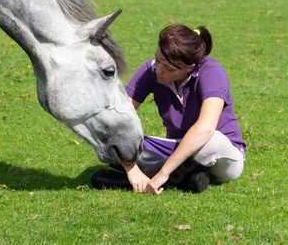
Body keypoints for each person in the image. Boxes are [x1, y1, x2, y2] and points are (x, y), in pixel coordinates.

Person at [91, 25, 246, 194]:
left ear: (190, 67)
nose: (158, 69)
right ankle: (192, 180)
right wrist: (132, 170)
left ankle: (157, 181)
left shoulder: (212, 72)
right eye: (157, 60)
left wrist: (163, 174)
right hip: (175, 150)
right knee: (118, 142)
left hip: (221, 155)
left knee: (212, 140)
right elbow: (116, 118)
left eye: (169, 68)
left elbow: (205, 128)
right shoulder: (150, 70)